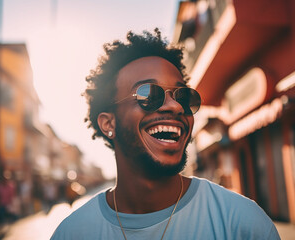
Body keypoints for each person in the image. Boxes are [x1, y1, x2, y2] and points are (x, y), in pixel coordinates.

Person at [51, 29, 280, 240]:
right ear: (108, 123)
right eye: (149, 94)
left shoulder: (244, 224)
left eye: (182, 96)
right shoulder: (73, 233)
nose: (175, 107)